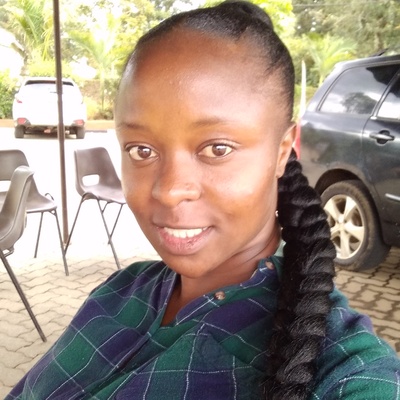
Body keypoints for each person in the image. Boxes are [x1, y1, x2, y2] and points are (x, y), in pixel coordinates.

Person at [7, 1, 400, 399]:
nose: (169, 189)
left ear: (282, 151)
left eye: (217, 148)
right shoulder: (120, 290)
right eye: (142, 150)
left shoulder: (344, 368)